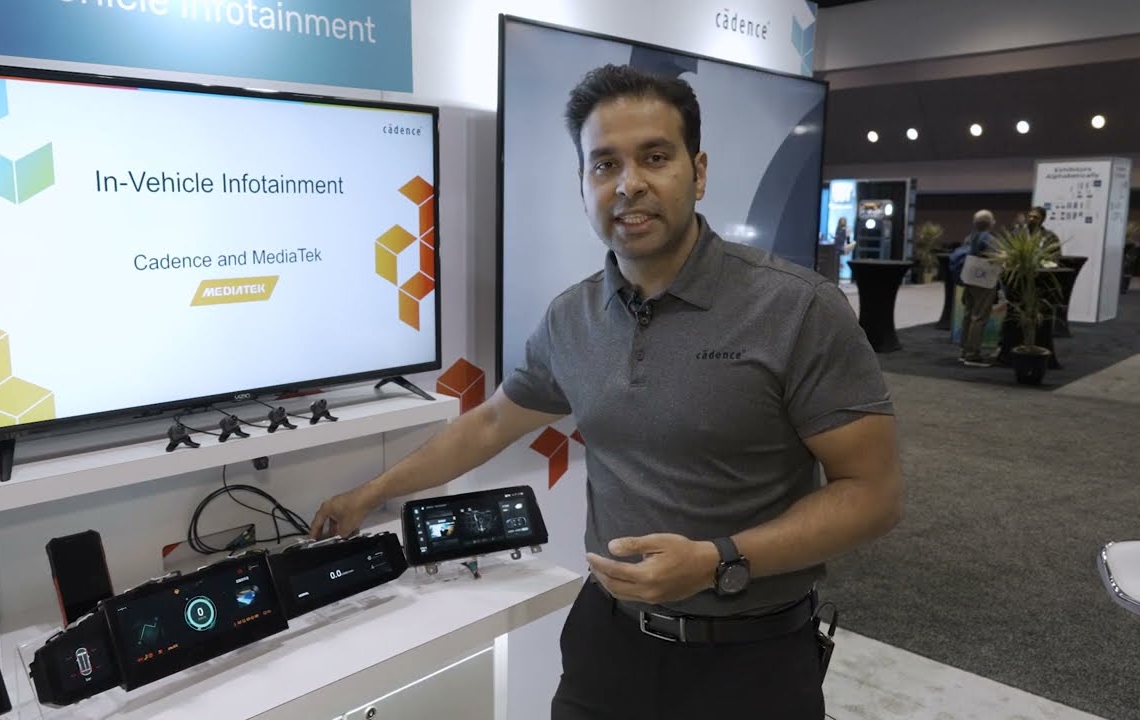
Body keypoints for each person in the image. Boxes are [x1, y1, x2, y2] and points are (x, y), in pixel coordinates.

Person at [310, 64, 903, 719]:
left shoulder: (798, 309)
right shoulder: (573, 317)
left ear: (698, 172)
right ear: (583, 184)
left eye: (655, 157)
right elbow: (491, 423)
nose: (629, 184)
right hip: (608, 643)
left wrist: (717, 561)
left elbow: (872, 495)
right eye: (605, 164)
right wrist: (372, 492)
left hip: (750, 659)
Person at [957, 210, 999, 367]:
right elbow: (997, 259)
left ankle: (963, 350)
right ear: (990, 223)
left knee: (968, 315)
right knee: (979, 317)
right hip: (984, 281)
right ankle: (972, 354)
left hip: (969, 279)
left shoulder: (969, 237)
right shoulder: (990, 239)